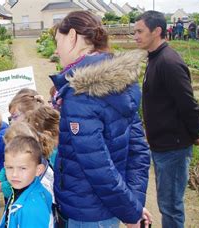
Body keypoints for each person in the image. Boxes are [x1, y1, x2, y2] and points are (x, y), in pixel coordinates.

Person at [49, 11, 152, 227]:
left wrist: (131, 213)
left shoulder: (81, 93)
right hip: (107, 212)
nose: (56, 51)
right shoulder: (121, 82)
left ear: (73, 37)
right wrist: (133, 205)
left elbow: (99, 168)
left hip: (86, 214)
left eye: (58, 41)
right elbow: (138, 151)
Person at [134, 11, 199, 227]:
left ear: (156, 31)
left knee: (171, 206)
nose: (135, 35)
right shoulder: (155, 58)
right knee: (167, 202)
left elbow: (188, 104)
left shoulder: (169, 62)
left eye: (140, 31)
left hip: (173, 148)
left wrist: (195, 134)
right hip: (163, 145)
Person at [0, 136, 52, 228]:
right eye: (10, 167)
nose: (14, 174)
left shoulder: (33, 209)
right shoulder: (20, 189)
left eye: (22, 168)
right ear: (4, 166)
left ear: (38, 170)